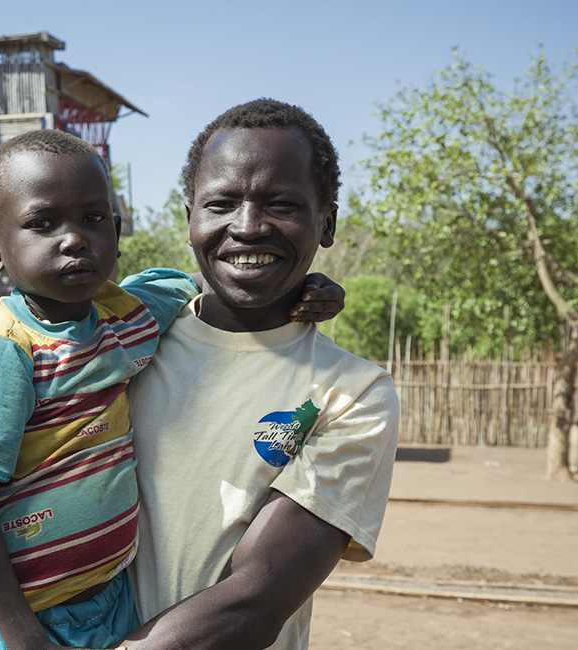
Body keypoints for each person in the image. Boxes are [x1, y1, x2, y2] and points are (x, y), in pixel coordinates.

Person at [0, 129, 345, 650]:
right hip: (24, 614)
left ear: (117, 230)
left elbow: (225, 271)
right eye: (41, 223)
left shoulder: (131, 314)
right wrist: (21, 634)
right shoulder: (4, 353)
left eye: (93, 218)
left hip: (110, 595)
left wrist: (307, 287)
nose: (74, 238)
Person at [120, 99, 400, 649]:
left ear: (327, 223)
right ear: (190, 220)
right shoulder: (125, 341)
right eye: (221, 203)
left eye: (281, 204)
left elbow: (256, 598)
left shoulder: (352, 394)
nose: (247, 227)